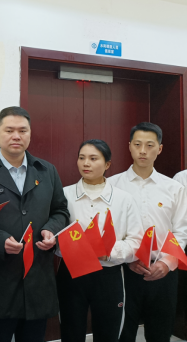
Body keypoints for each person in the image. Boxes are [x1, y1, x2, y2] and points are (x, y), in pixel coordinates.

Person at [0, 106, 69, 342]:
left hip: (38, 279)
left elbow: (60, 210)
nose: (16, 136)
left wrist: (51, 230)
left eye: (22, 131)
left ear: (30, 134)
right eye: (9, 130)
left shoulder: (47, 171)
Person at [107, 122, 187, 342]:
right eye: (137, 144)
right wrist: (128, 258)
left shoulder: (174, 188)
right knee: (122, 333)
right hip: (123, 271)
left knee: (160, 333)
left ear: (159, 149)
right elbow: (108, 231)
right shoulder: (112, 186)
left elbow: (181, 231)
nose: (143, 151)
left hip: (163, 273)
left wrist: (166, 263)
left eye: (150, 145)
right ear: (129, 146)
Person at [57, 139, 143, 342]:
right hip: (71, 273)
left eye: (93, 158)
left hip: (108, 275)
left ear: (107, 164)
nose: (86, 163)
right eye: (81, 158)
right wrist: (68, 248)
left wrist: (109, 252)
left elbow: (136, 241)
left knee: (108, 333)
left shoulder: (124, 199)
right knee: (70, 332)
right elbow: (53, 235)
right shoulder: (63, 195)